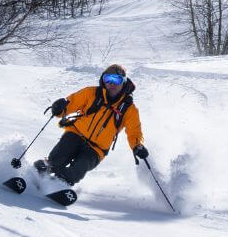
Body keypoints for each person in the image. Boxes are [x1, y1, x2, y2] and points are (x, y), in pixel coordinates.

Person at [35, 63, 148, 191]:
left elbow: (134, 131)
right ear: (103, 80)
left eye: (116, 80)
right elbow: (70, 104)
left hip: (97, 148)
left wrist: (137, 146)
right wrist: (59, 108)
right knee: (59, 156)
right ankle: (39, 172)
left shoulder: (129, 108)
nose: (112, 84)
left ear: (124, 82)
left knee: (80, 167)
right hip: (76, 134)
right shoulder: (91, 93)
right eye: (108, 79)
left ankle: (59, 185)